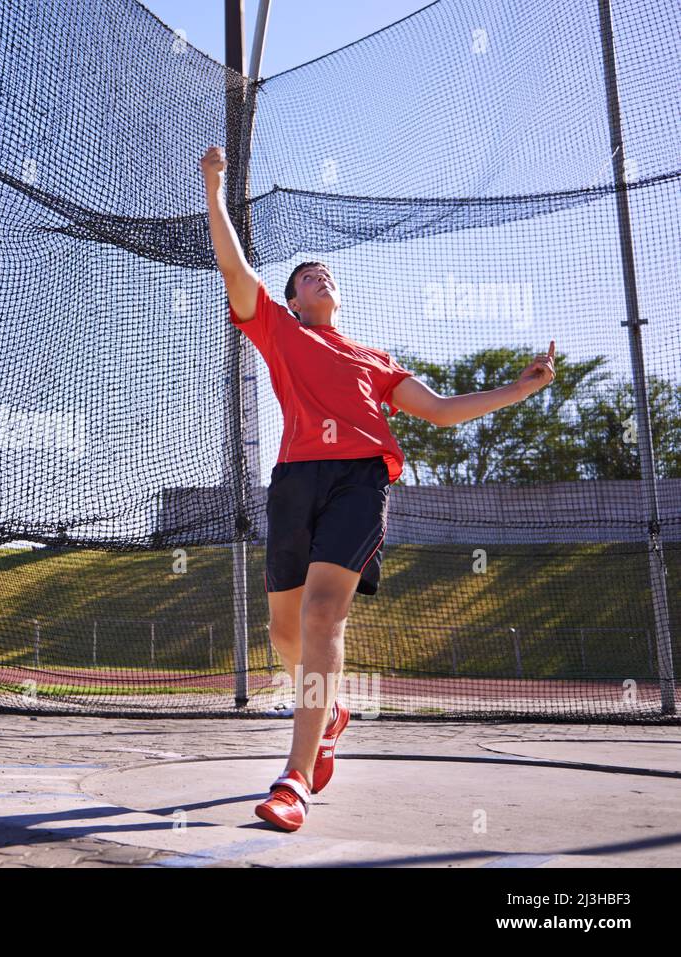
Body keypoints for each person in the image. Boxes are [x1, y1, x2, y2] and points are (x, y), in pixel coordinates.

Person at [200, 145, 556, 832]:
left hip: (361, 479)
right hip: (295, 482)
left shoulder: (376, 361)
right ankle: (327, 704)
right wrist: (215, 190)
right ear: (294, 299)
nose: (320, 278)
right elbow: (233, 267)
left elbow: (444, 410)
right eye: (308, 276)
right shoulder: (276, 329)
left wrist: (519, 387)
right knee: (284, 630)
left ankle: (294, 778)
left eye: (327, 273)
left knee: (323, 614)